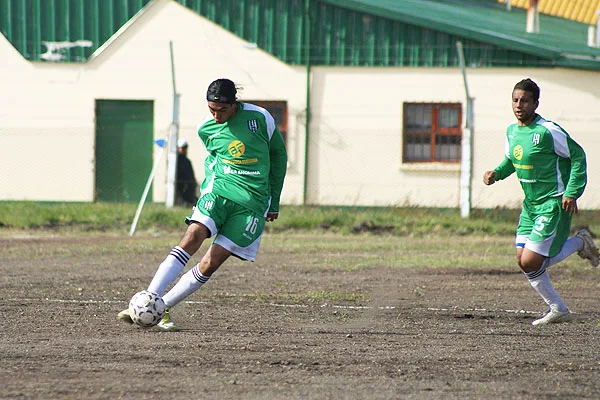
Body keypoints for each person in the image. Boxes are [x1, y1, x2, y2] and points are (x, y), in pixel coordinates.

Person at [118, 78, 288, 330]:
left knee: (211, 262)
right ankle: (147, 299)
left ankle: (162, 307)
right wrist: (208, 189)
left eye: (222, 110)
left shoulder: (261, 118)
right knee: (192, 235)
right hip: (218, 193)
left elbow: (279, 156)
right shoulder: (206, 128)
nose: (216, 116)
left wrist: (274, 199)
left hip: (252, 204)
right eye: (211, 110)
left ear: (234, 104)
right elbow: (213, 159)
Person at [483, 78, 599, 326]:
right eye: (515, 100)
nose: (518, 105)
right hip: (531, 205)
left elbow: (578, 156)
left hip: (553, 203)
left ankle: (579, 243)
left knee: (530, 261)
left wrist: (572, 192)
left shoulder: (548, 130)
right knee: (522, 260)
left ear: (536, 103)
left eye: (524, 100)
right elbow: (511, 161)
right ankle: (559, 309)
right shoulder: (512, 131)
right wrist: (496, 173)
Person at [175, 138, 198, 207]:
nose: (181, 150)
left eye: (184, 148)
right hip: (179, 185)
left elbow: (190, 174)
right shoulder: (174, 162)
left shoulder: (187, 162)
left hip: (187, 186)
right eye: (180, 148)